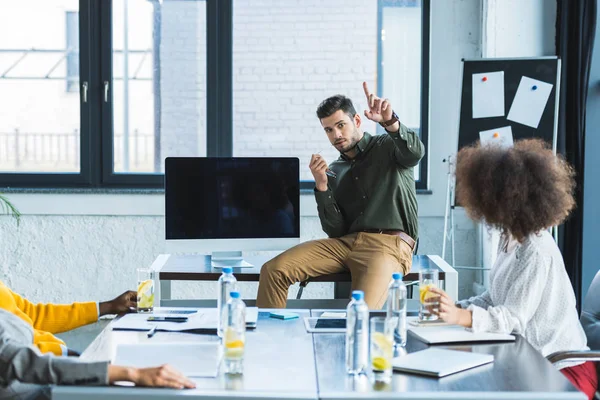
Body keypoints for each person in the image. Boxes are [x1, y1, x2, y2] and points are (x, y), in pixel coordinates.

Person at [428, 139, 597, 399]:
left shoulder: (536, 250)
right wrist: (457, 307)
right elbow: (494, 297)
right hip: (530, 360)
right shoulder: (510, 237)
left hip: (560, 367)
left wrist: (462, 318)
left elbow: (513, 319)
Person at [257, 82, 425, 309]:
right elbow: (335, 230)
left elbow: (415, 152)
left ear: (356, 121)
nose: (336, 134)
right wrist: (322, 186)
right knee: (273, 270)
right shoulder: (335, 170)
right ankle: (269, 341)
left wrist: (390, 122)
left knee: (359, 314)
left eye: (340, 125)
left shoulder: (388, 146)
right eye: (328, 129)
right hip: (345, 244)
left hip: (388, 245)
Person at [0, 308, 195, 400]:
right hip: (40, 392)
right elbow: (25, 363)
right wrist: (132, 374)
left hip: (52, 380)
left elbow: (31, 314)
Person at [0, 279, 137, 356]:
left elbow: (33, 315)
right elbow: (9, 354)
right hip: (38, 372)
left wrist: (110, 306)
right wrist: (67, 357)